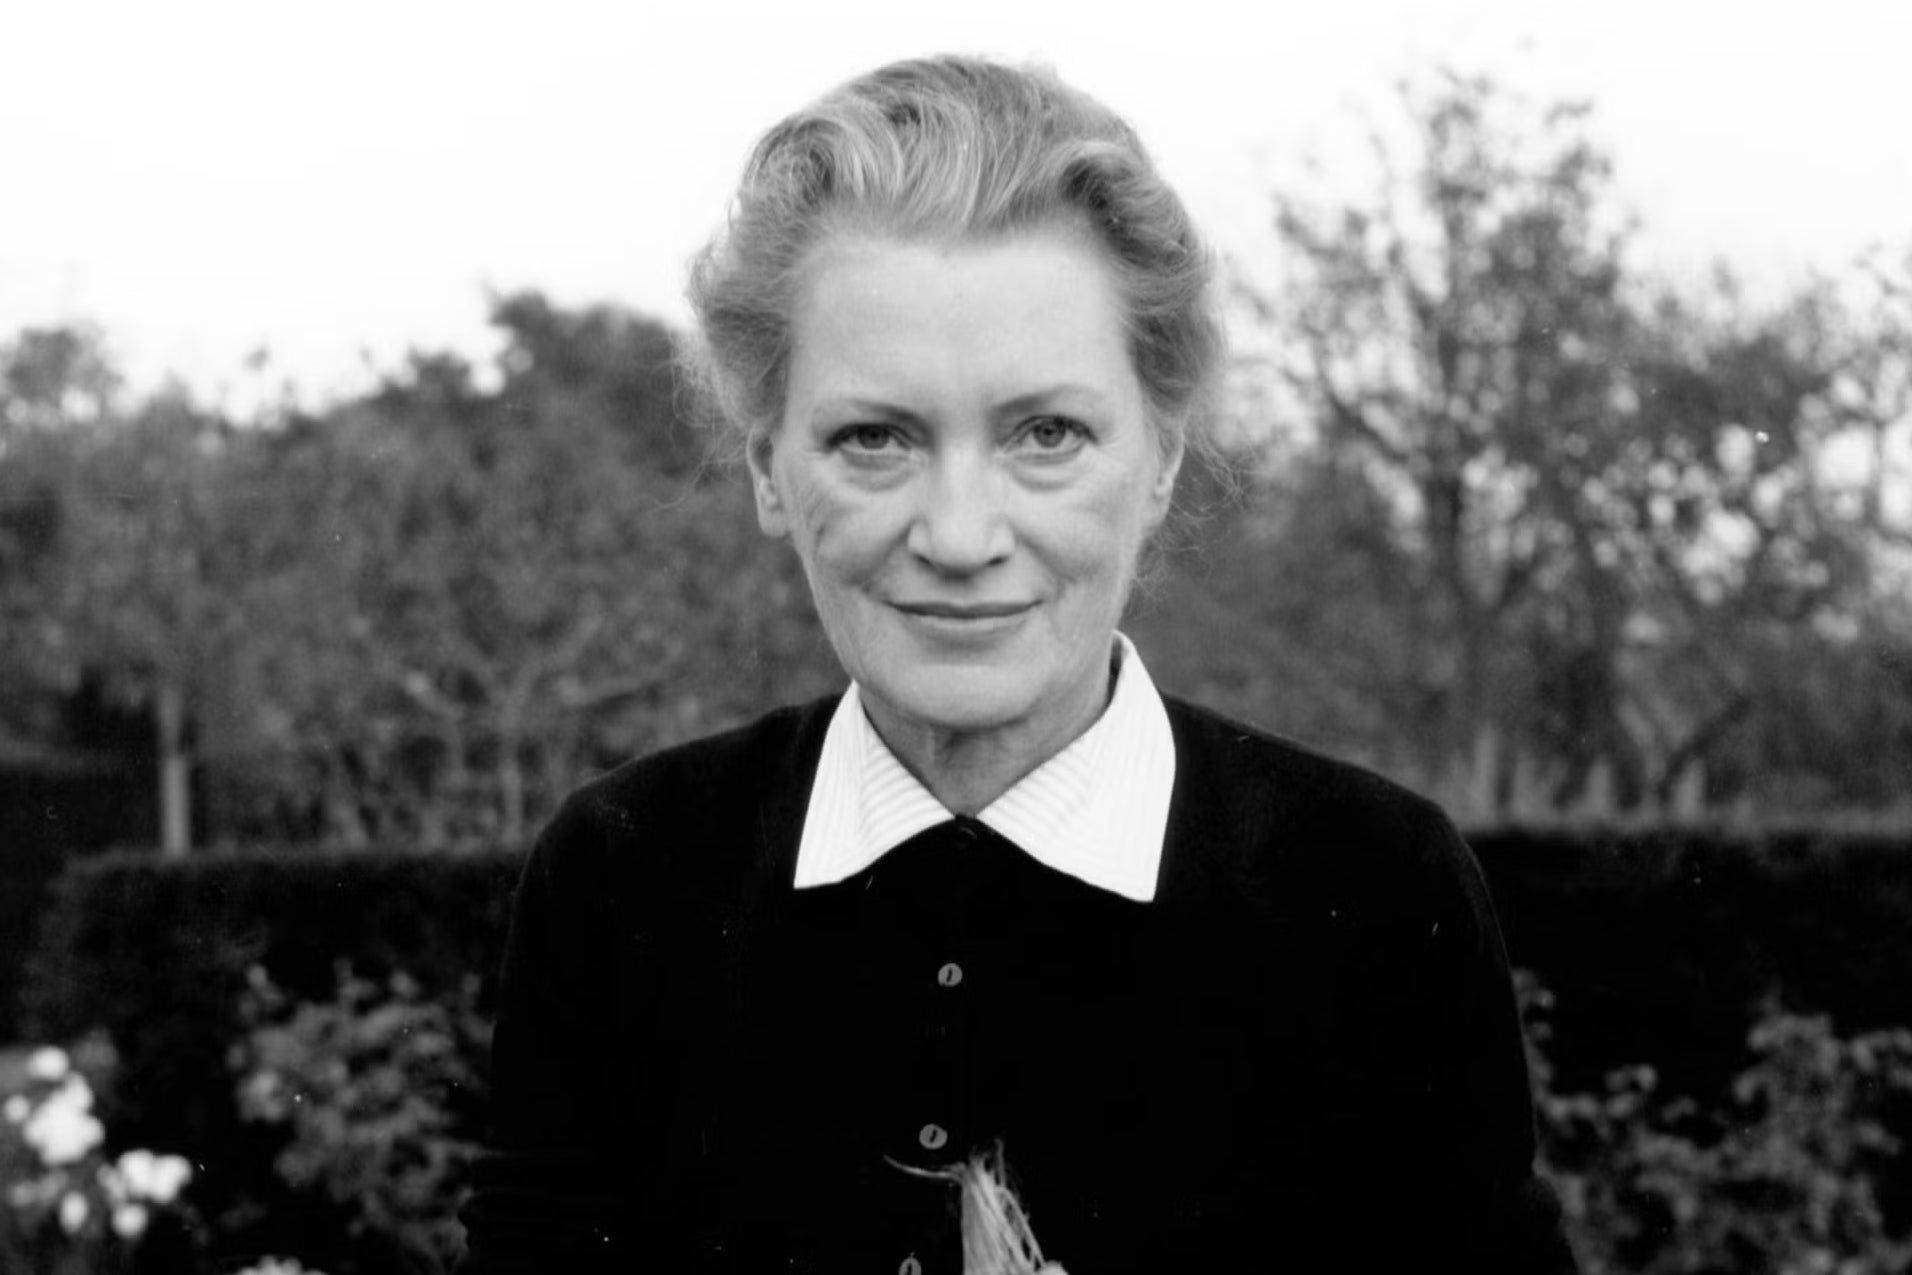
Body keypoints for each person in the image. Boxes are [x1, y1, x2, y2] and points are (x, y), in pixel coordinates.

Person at [459, 54, 1577, 1275]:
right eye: (873, 438)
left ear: (1158, 460)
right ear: (766, 469)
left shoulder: (1375, 887)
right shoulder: (622, 876)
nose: (959, 535)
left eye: (1046, 434)